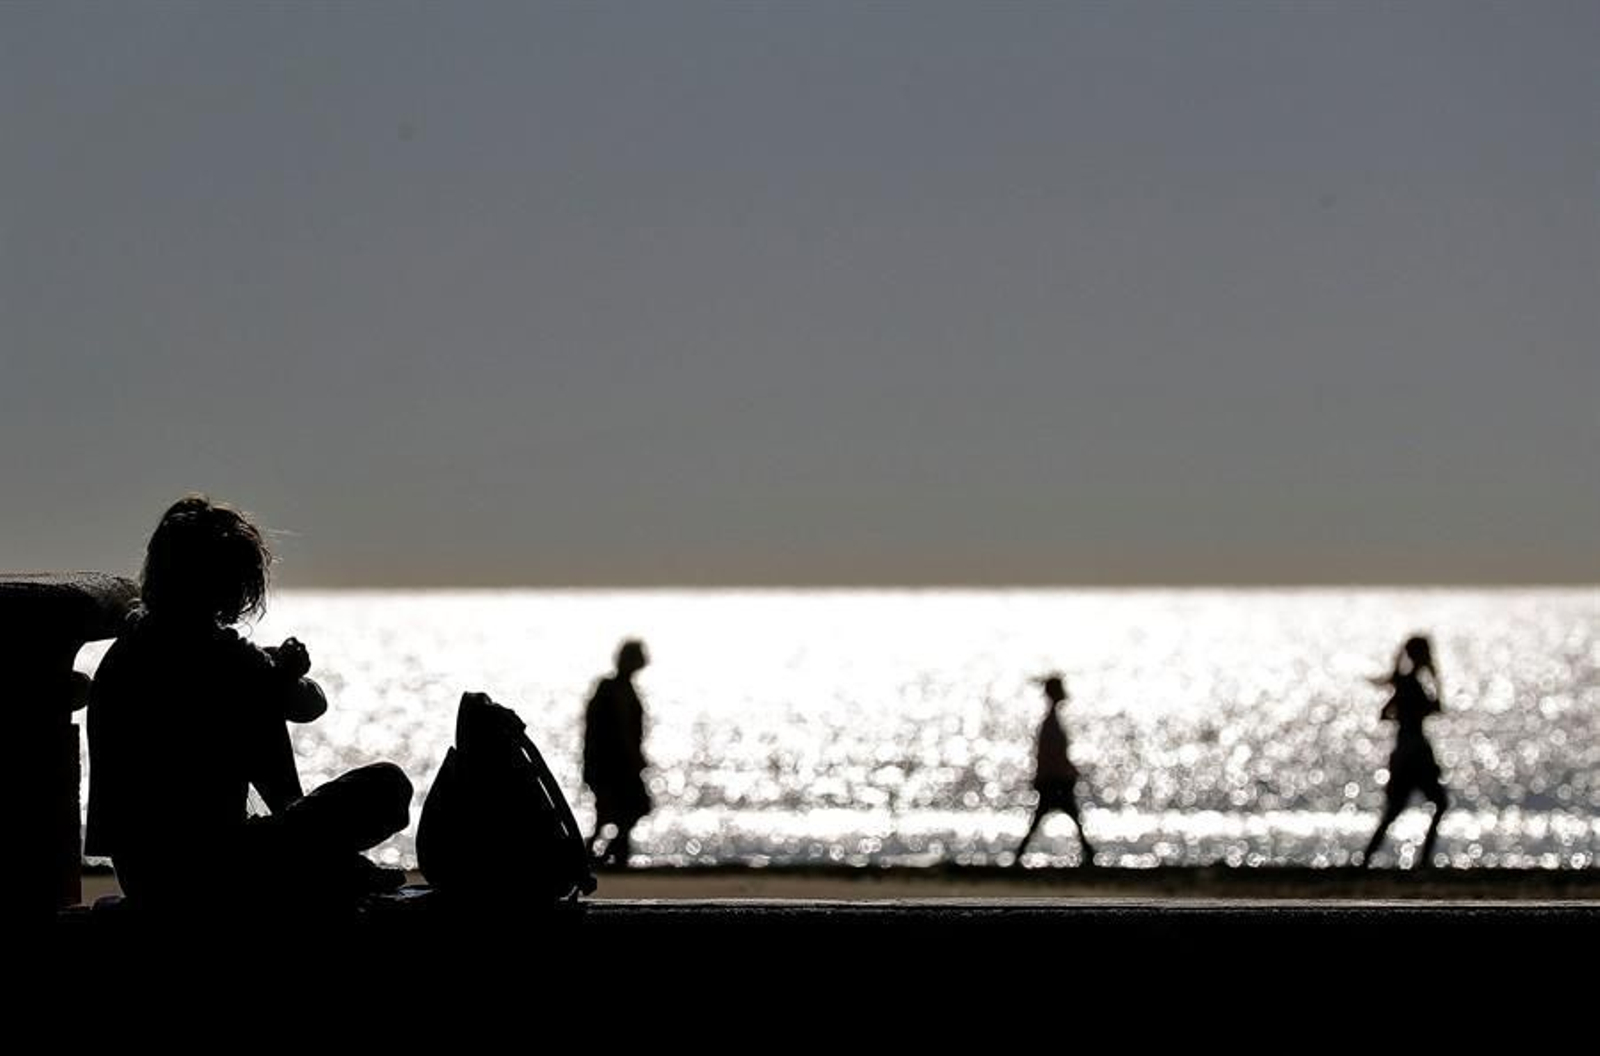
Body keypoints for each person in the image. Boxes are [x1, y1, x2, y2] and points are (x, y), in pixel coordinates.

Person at [85, 495, 413, 910]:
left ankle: (323, 861)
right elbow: (309, 704)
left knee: (261, 697)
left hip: (144, 874)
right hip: (215, 868)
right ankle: (325, 861)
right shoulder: (223, 657)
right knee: (387, 784)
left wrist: (267, 671)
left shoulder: (128, 652)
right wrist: (283, 672)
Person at [1361, 634, 1449, 868]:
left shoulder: (1407, 681)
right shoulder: (1410, 682)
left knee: (1397, 810)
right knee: (1437, 803)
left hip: (1407, 750)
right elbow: (1436, 708)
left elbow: (1386, 713)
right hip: (1415, 751)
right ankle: (1422, 862)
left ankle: (1366, 861)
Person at [582, 639, 652, 866]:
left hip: (616, 763)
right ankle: (602, 856)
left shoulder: (620, 688)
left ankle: (608, 854)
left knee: (619, 811)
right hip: (612, 764)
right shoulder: (611, 688)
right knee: (618, 810)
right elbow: (609, 730)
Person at [1016, 674, 1095, 865]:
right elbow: (1051, 755)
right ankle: (1089, 854)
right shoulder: (1051, 723)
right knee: (1069, 817)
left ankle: (1019, 854)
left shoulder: (1050, 722)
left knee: (1048, 818)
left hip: (1053, 779)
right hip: (1055, 781)